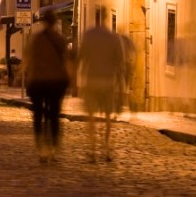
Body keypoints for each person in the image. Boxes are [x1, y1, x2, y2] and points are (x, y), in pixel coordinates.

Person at [23, 10, 71, 163]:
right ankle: (54, 150)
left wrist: (22, 75)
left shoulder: (35, 39)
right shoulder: (61, 40)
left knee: (38, 115)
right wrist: (71, 79)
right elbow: (67, 62)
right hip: (56, 82)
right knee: (54, 116)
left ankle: (41, 150)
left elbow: (27, 59)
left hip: (38, 81)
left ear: (43, 22)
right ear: (55, 22)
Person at [78, 23, 125, 162]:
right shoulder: (114, 38)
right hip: (108, 82)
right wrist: (120, 86)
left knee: (91, 117)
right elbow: (120, 64)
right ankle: (107, 149)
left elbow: (81, 58)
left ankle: (92, 150)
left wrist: (79, 80)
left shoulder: (88, 36)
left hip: (92, 81)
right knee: (108, 117)